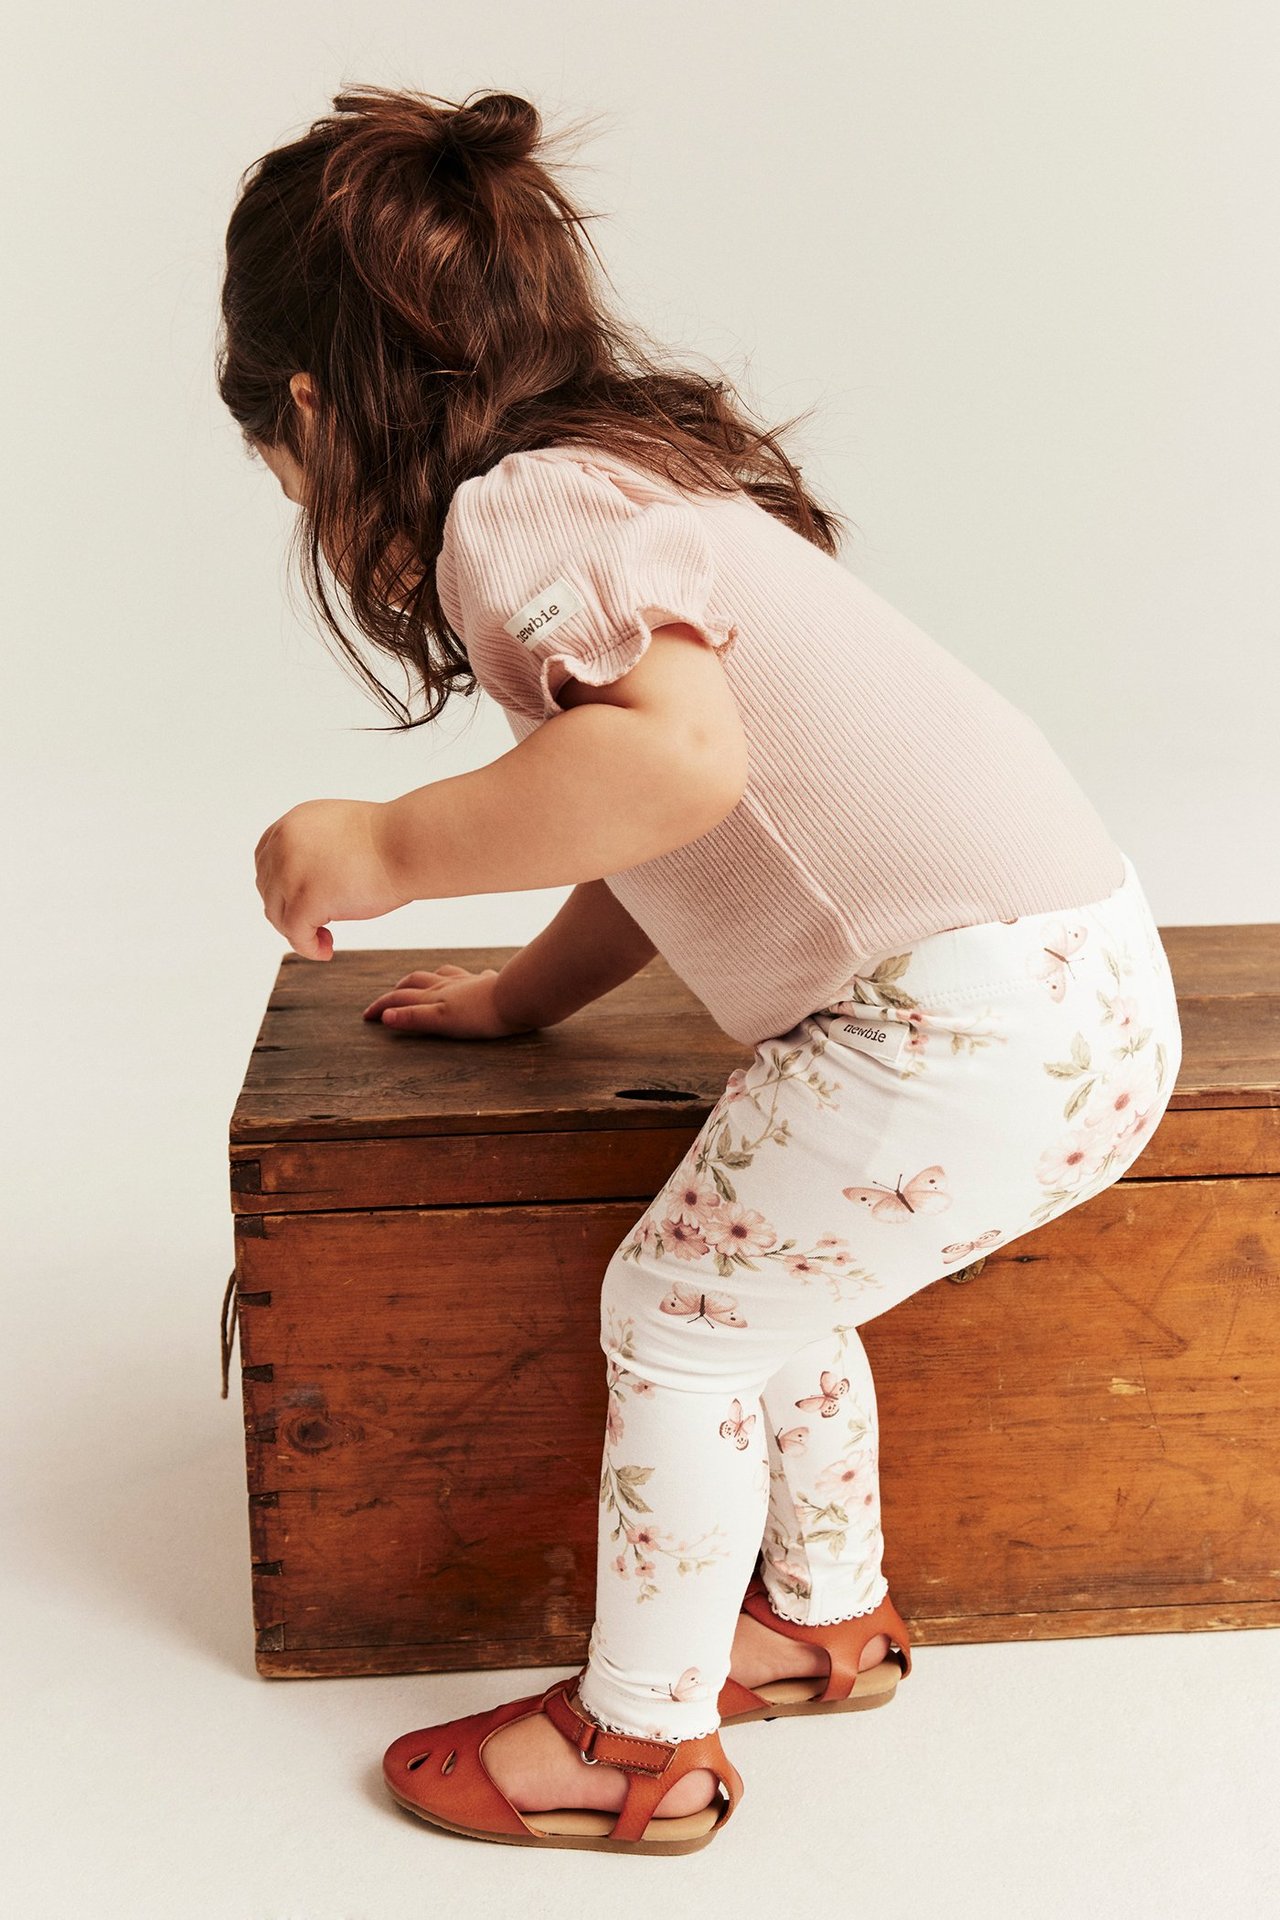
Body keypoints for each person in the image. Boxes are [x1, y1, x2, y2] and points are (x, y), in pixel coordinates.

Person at [219, 83, 1184, 1857]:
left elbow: (666, 774)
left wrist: (382, 842)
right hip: (1085, 996)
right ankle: (824, 1620)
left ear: (306, 408)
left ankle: (635, 1742)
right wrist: (521, 995)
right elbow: (668, 830)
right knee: (767, 1293)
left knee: (671, 1321)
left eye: (276, 462)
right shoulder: (638, 482)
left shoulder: (518, 514)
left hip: (949, 1024)